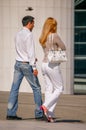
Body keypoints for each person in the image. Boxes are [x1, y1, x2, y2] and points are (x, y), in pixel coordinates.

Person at [6, 15, 43, 120]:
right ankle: (39, 114)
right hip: (27, 65)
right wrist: (34, 67)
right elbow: (30, 51)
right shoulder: (29, 35)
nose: (34, 25)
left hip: (18, 64)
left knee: (14, 89)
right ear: (29, 23)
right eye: (33, 23)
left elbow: (21, 50)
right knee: (36, 88)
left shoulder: (17, 34)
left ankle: (10, 113)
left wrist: (30, 59)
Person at [39, 17, 66, 122]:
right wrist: (57, 49)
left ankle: (49, 114)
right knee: (59, 88)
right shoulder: (54, 36)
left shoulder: (43, 37)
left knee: (49, 88)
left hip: (44, 64)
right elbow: (63, 47)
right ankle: (45, 106)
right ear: (53, 26)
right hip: (52, 65)